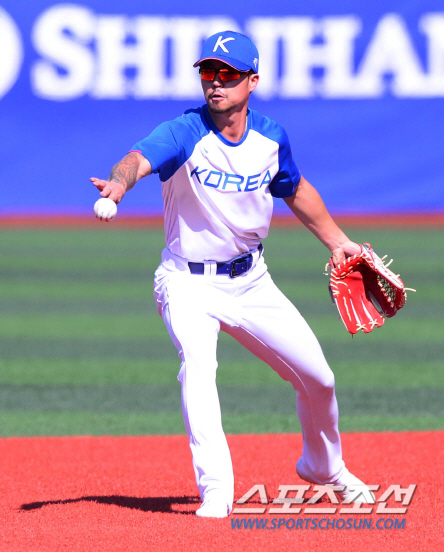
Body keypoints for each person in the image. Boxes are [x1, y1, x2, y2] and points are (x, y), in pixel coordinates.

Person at [90, 30, 375, 518]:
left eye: (228, 73)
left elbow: (294, 188)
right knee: (199, 369)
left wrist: (337, 242)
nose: (216, 82)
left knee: (319, 379)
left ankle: (323, 466)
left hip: (252, 281)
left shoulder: (270, 138)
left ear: (252, 80)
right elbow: (138, 158)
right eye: (208, 72)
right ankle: (217, 489)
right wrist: (119, 183)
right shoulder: (184, 132)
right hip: (187, 282)